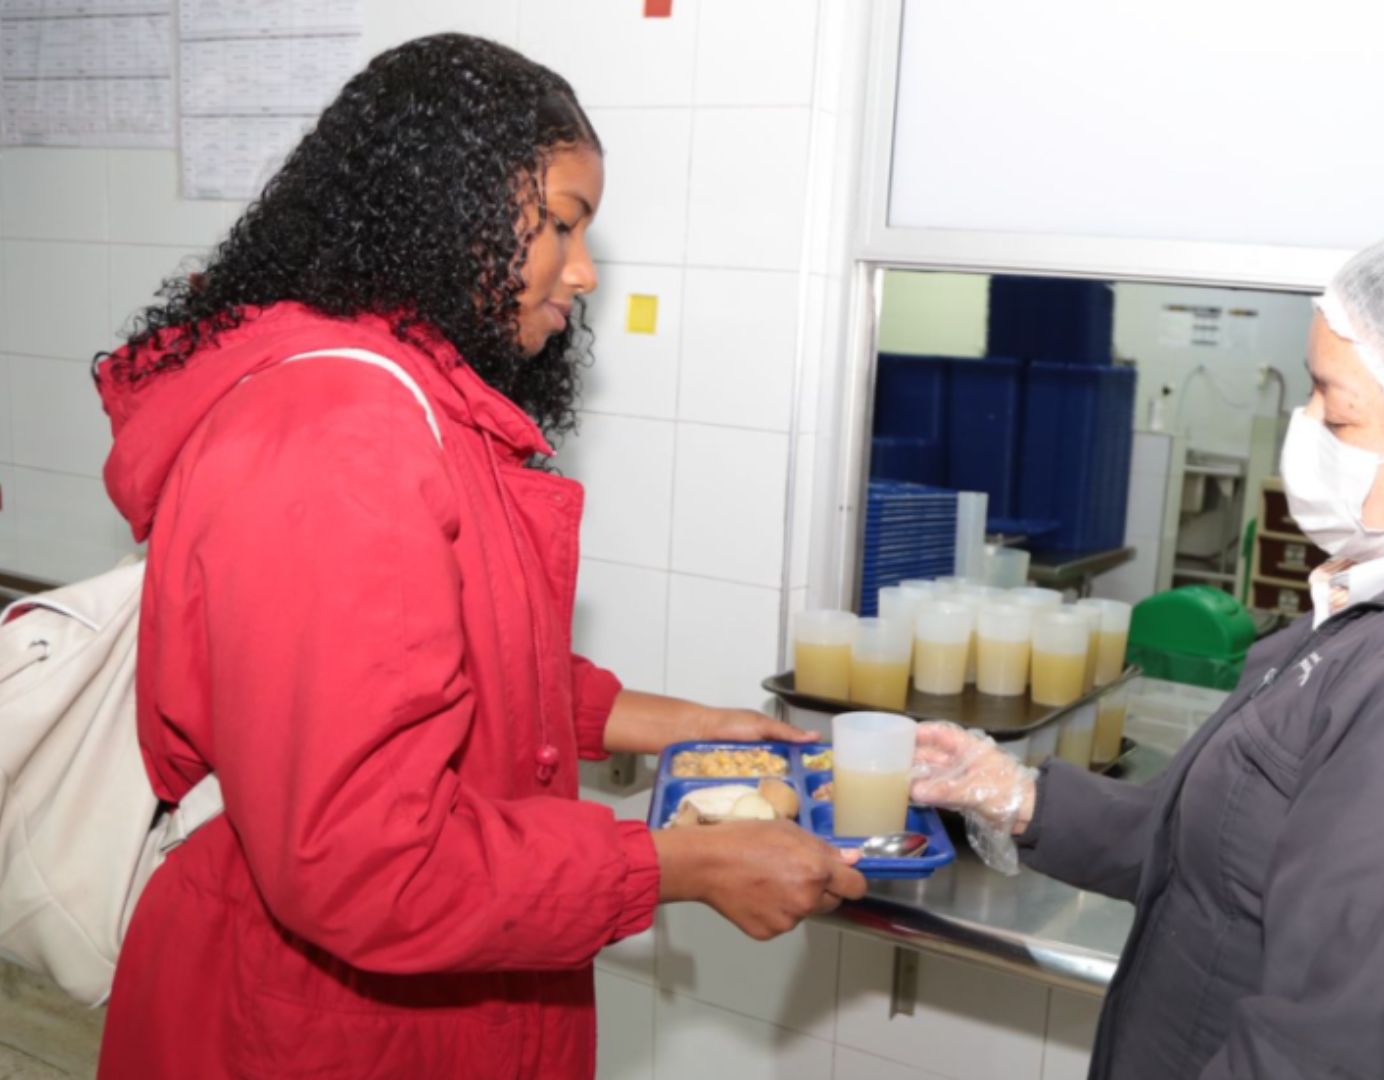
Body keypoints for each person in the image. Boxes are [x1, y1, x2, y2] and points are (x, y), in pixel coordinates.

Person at [92, 35, 864, 1079]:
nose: (583, 273)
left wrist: (683, 727)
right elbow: (365, 862)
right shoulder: (336, 435)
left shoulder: (417, 401)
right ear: (446, 205)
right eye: (560, 225)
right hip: (309, 1031)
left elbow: (457, 665)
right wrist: (678, 866)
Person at [914, 223, 1384, 1079]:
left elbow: (1340, 1055)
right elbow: (1229, 839)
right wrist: (1016, 796)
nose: (1304, 428)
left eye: (1336, 407)